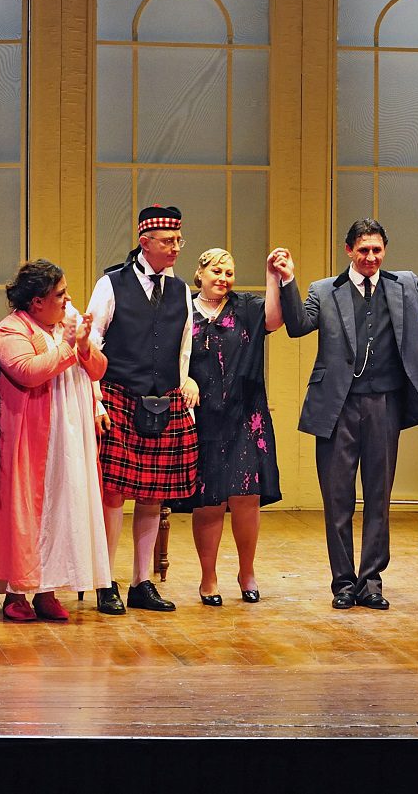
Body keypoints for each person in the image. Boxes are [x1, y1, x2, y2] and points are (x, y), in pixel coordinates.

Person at [273, 219, 418, 611]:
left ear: (385, 250)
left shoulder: (406, 284)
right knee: (337, 498)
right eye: (363, 250)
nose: (371, 257)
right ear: (349, 250)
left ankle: (371, 582)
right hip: (337, 406)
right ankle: (343, 584)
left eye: (377, 250)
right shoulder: (324, 290)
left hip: (384, 405)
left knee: (379, 497)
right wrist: (287, 279)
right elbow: (297, 326)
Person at [86, 205, 198, 615]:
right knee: (113, 493)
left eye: (178, 241)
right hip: (118, 396)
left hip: (163, 400)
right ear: (144, 242)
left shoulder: (181, 290)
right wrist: (95, 400)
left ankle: (141, 581)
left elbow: (183, 348)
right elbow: (92, 343)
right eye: (167, 242)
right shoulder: (111, 284)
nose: (175, 248)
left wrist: (181, 391)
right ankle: (105, 582)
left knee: (154, 494)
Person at [0, 260, 112, 622]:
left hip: (71, 434)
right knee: (26, 510)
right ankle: (17, 592)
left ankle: (48, 590)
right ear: (37, 301)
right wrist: (70, 345)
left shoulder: (65, 323)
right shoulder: (11, 330)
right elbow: (28, 372)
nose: (68, 299)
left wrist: (83, 345)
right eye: (60, 294)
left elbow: (99, 369)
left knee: (64, 506)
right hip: (31, 436)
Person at [178, 248, 282, 606]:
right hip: (203, 417)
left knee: (246, 496)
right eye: (217, 271)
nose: (223, 278)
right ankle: (208, 578)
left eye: (229, 272)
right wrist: (183, 380)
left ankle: (246, 572)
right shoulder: (184, 310)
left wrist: (272, 275)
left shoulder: (246, 307)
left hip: (245, 414)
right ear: (201, 273)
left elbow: (275, 320)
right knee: (209, 500)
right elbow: (168, 355)